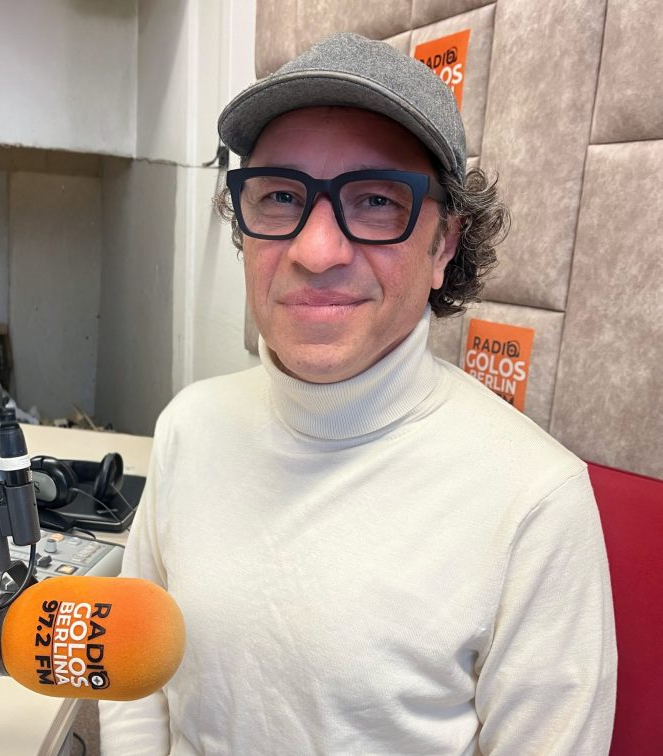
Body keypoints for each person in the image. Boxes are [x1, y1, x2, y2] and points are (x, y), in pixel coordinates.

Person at [100, 32, 616, 755]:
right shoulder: (190, 425)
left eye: (375, 201)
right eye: (281, 196)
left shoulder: (535, 502)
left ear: (444, 246)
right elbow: (134, 677)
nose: (316, 252)